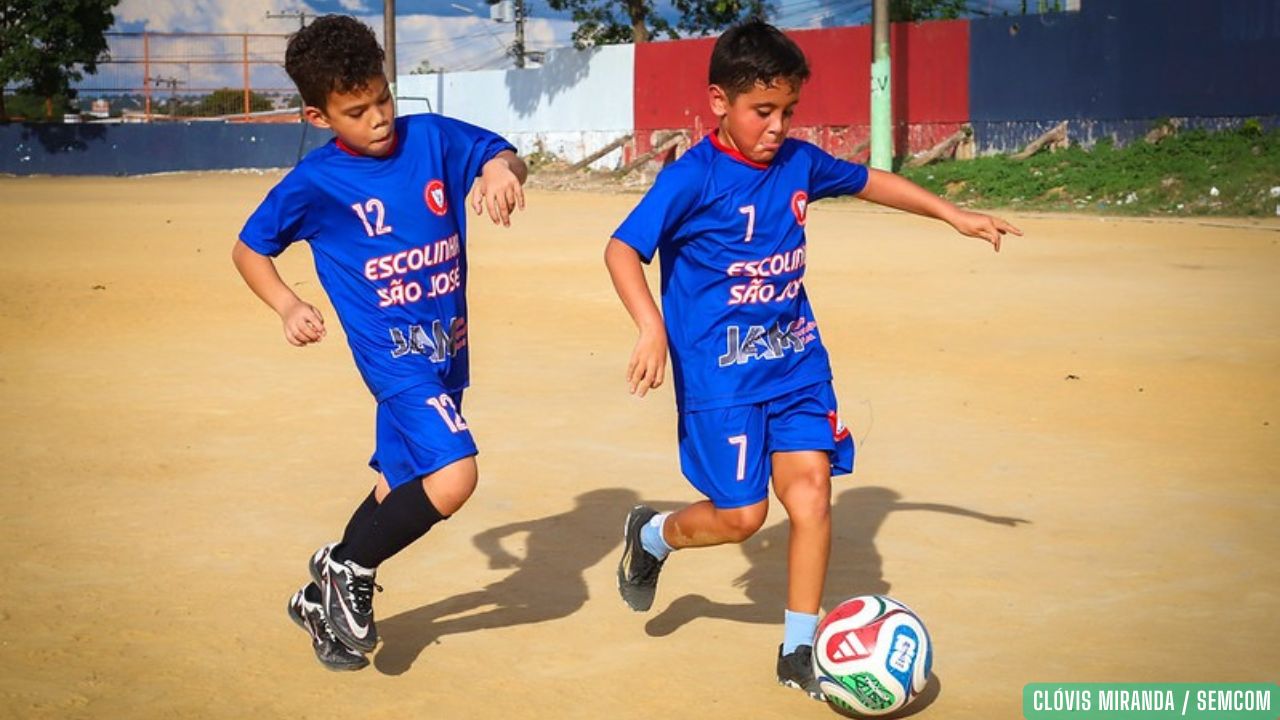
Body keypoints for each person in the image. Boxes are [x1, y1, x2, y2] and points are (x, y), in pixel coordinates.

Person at [606, 19, 1020, 699]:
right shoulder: (691, 178)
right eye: (762, 110)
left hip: (796, 362)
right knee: (742, 518)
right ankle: (653, 536)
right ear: (719, 102)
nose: (777, 126)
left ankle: (797, 651)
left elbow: (869, 181)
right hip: (722, 377)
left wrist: (952, 213)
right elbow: (623, 248)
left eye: (788, 111)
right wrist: (650, 326)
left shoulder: (798, 162)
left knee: (811, 495)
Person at [231, 14, 527, 671]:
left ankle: (321, 599)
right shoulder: (314, 183)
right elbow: (249, 249)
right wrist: (287, 304)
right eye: (357, 111)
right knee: (455, 476)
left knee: (401, 485)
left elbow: (504, 155)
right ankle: (349, 567)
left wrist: (499, 171)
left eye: (383, 99)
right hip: (394, 360)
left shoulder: (433, 139)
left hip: (446, 351)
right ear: (318, 116)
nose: (379, 119)